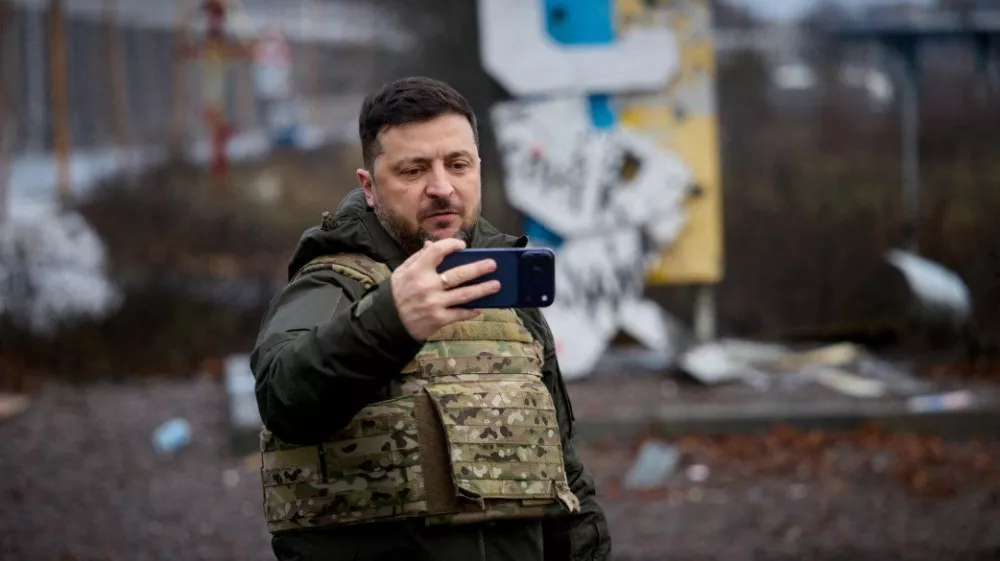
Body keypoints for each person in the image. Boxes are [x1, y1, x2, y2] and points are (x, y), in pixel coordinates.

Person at [250, 76, 611, 561]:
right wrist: (391, 320)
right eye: (413, 170)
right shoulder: (332, 283)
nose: (441, 188)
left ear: (478, 169)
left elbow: (564, 475)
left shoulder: (504, 293)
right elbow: (282, 395)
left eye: (457, 165)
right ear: (370, 187)